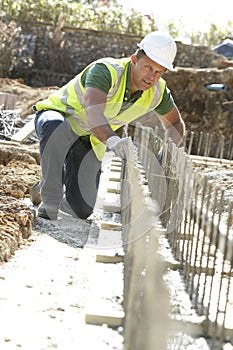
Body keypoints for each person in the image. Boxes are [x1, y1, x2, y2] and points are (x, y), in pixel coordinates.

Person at [32, 31, 185, 220]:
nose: (151, 76)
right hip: (61, 118)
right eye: (148, 67)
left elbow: (175, 123)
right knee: (55, 127)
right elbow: (93, 111)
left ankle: (51, 183)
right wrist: (114, 141)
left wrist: (165, 154)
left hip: (90, 139)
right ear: (134, 59)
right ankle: (50, 199)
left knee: (82, 210)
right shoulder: (106, 71)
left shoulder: (158, 92)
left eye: (158, 72)